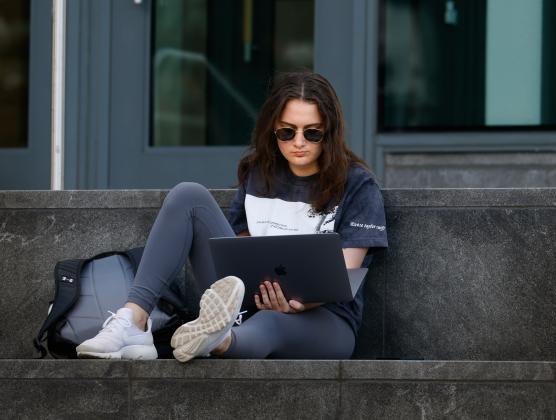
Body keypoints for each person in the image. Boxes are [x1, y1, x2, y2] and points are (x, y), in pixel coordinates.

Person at [76, 71, 388, 362]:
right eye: (286, 131)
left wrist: (300, 300)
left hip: (325, 321)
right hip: (250, 301)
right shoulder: (259, 174)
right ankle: (134, 319)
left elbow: (343, 275)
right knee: (189, 195)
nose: (298, 142)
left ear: (330, 132)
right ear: (272, 129)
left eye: (313, 133)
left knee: (271, 321)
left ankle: (215, 340)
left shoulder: (357, 184)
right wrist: (254, 288)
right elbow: (240, 249)